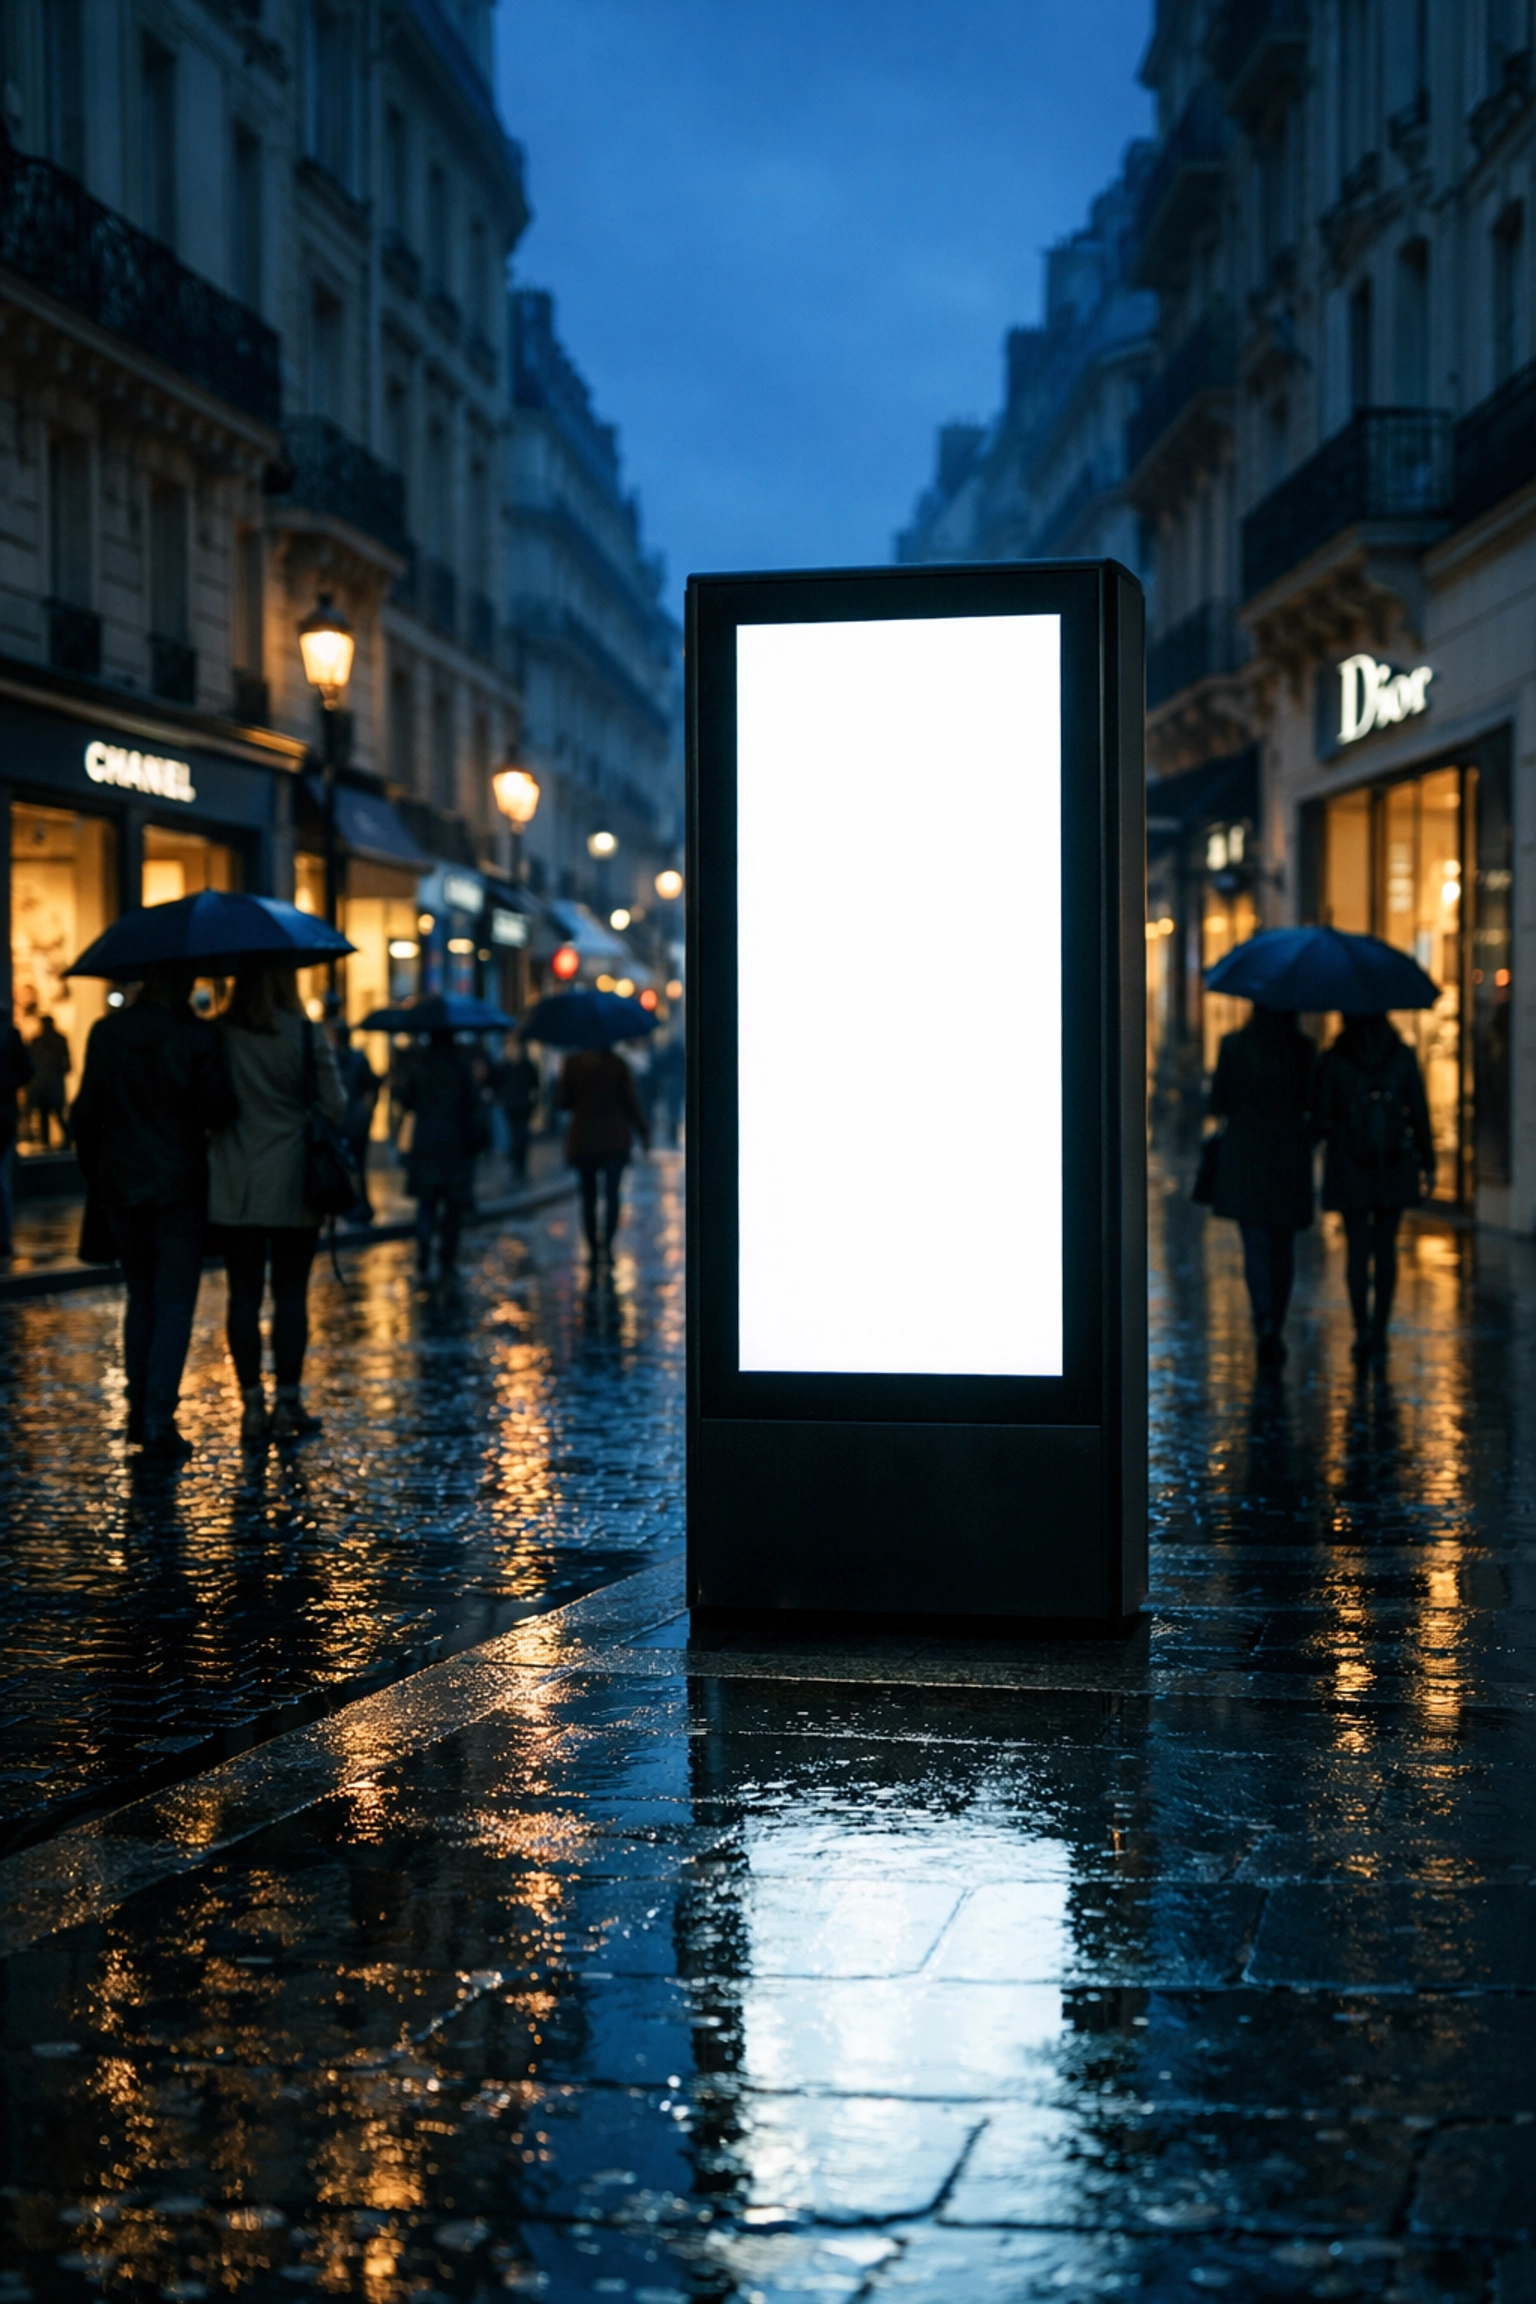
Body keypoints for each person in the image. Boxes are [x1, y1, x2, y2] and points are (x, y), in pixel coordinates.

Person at [71, 965, 237, 1458]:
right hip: (178, 1184)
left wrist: (96, 1170)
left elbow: (84, 1112)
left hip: (120, 1182)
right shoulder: (197, 1034)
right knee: (172, 1303)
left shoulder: (108, 1032)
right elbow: (220, 1108)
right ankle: (157, 1417)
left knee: (139, 1295)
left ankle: (139, 1410)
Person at [209, 959, 345, 1443]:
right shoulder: (304, 1035)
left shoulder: (220, 1034)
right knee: (291, 1294)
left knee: (242, 1294)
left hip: (235, 1183)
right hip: (293, 1182)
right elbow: (336, 1106)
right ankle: (287, 1402)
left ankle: (250, 1405)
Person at [1312, 1011, 1435, 1367]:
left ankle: (1361, 1327)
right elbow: (1419, 1111)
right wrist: (1428, 1161)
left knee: (1357, 1249)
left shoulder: (1335, 1058)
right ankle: (1380, 1330)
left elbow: (1320, 1117)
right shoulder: (1401, 1056)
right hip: (1393, 1164)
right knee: (1385, 1248)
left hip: (1350, 1166)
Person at [1206, 1004, 1317, 1368]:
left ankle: (1262, 1319)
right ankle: (1277, 1325)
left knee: (1255, 1244)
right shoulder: (1302, 1049)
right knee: (1282, 1246)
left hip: (1245, 1153)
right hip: (1287, 1153)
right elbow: (1312, 1102)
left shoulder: (1233, 1045)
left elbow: (1218, 1101)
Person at [401, 1027, 488, 1277]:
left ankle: (424, 1245)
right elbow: (472, 1102)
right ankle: (447, 1257)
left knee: (426, 1202)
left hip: (426, 1144)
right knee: (452, 1206)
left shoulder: (421, 1065)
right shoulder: (460, 1066)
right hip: (454, 1145)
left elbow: (407, 1100)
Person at [558, 1041, 649, 1265]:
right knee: (612, 1196)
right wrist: (643, 1132)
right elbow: (630, 1101)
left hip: (584, 1139)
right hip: (613, 1139)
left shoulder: (572, 1064)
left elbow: (562, 1102)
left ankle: (592, 1251)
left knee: (588, 1198)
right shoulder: (617, 1064)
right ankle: (607, 1248)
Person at [326, 999, 380, 1222]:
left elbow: (372, 1085)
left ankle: (356, 1205)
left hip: (348, 1118)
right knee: (355, 1165)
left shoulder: (341, 1059)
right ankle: (356, 1204)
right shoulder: (350, 1058)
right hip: (352, 1118)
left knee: (350, 1164)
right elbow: (373, 1086)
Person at [0, 1002, 34, 1257]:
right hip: (4, 1114)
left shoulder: (8, 1035)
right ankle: (3, 1238)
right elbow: (27, 1070)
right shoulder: (9, 1033)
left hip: (3, 1114)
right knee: (2, 1178)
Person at [493, 1034, 541, 1181]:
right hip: (510, 1106)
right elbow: (497, 1084)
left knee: (521, 1136)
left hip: (524, 1105)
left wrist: (532, 1101)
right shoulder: (505, 1067)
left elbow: (535, 1085)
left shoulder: (526, 1066)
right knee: (515, 1136)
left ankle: (520, 1166)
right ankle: (516, 1166)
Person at [27, 1014, 70, 1147]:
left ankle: (62, 1139)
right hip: (47, 1082)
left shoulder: (46, 1041)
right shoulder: (49, 1040)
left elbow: (67, 1064)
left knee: (54, 1113)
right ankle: (50, 1141)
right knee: (49, 1113)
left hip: (49, 1081)